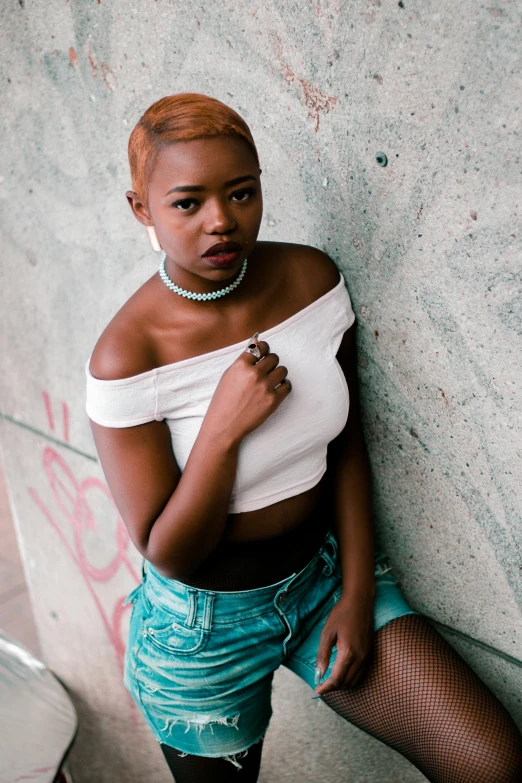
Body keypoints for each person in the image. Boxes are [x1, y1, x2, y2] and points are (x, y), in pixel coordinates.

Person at [85, 93, 522, 783]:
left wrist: (354, 589)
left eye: (241, 192)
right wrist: (223, 430)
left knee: (490, 760)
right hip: (201, 630)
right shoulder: (126, 354)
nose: (221, 221)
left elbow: (346, 446)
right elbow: (169, 549)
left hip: (323, 578)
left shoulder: (311, 280)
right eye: (187, 203)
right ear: (141, 208)